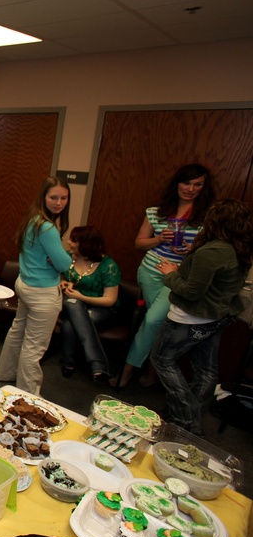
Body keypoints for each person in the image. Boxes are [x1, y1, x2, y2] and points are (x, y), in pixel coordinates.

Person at [151, 198, 251, 435]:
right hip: (216, 317)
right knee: (206, 371)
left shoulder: (212, 252)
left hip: (190, 318)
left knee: (162, 360)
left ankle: (187, 419)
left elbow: (191, 292)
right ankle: (189, 418)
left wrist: (171, 273)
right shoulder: (239, 249)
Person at [113, 163, 215, 388]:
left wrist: (192, 250)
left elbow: (212, 251)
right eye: (186, 183)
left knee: (152, 320)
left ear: (204, 187)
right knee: (159, 324)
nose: (191, 188)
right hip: (150, 272)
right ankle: (151, 373)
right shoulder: (156, 211)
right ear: (177, 183)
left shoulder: (208, 216)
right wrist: (160, 239)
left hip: (179, 277)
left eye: (197, 184)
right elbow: (140, 243)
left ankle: (127, 371)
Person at [0, 177, 72, 395]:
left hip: (26, 285)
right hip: (42, 293)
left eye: (63, 198)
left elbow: (53, 259)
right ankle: (28, 395)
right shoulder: (47, 228)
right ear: (43, 197)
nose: (59, 202)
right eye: (53, 197)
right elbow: (64, 264)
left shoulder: (33, 219)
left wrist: (54, 257)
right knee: (34, 346)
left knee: (17, 331)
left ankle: (5, 374)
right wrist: (61, 257)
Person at [58, 226, 121, 383]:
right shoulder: (67, 257)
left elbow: (110, 299)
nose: (69, 242)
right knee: (73, 303)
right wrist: (64, 282)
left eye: (74, 240)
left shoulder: (108, 265)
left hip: (101, 308)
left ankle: (68, 363)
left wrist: (82, 297)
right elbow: (56, 277)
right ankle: (98, 364)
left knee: (69, 325)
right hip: (72, 304)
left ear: (86, 244)